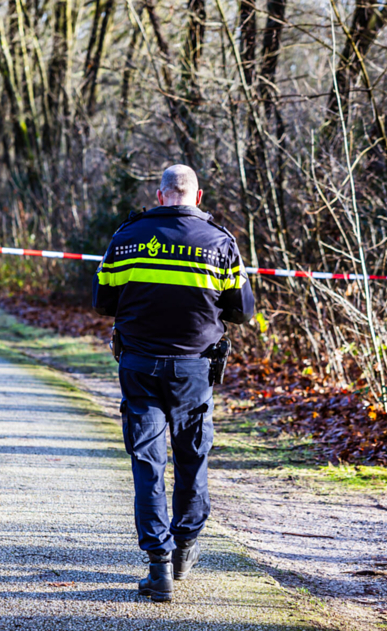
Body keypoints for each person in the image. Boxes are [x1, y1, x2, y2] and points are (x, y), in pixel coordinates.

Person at [92, 164, 255, 602]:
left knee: (148, 463)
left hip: (139, 365)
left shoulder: (125, 238)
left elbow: (103, 300)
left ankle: (157, 567)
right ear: (197, 196)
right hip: (194, 370)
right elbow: (242, 311)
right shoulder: (220, 242)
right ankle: (184, 548)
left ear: (161, 194)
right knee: (191, 457)